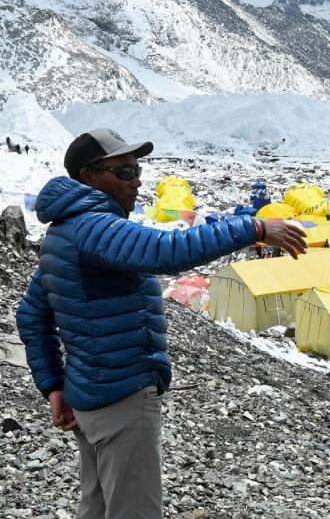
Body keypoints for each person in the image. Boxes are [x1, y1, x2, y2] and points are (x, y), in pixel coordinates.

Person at [15, 128, 307, 518]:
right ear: (89, 177)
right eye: (124, 173)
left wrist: (53, 385)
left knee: (98, 507)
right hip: (122, 396)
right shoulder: (94, 227)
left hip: (88, 394)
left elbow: (31, 313)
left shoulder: (64, 232)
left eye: (137, 170)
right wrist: (254, 227)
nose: (136, 181)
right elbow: (167, 251)